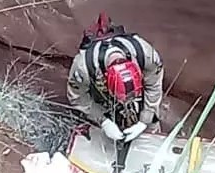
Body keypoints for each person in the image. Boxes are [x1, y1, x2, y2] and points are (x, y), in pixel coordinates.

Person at [67, 15, 164, 143]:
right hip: (102, 98)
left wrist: (145, 120)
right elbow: (77, 98)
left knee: (151, 134)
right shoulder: (83, 67)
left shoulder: (146, 55)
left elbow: (154, 85)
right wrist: (103, 120)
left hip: (140, 99)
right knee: (103, 141)